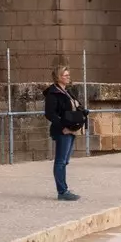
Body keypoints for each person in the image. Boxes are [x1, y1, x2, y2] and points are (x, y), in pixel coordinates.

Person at [43, 64, 85, 201]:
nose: (68, 77)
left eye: (68, 75)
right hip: (63, 130)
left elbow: (75, 105)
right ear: (58, 77)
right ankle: (62, 191)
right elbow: (50, 114)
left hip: (71, 129)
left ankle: (64, 188)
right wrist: (62, 127)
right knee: (60, 161)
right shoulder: (53, 93)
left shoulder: (67, 91)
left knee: (65, 161)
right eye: (65, 75)